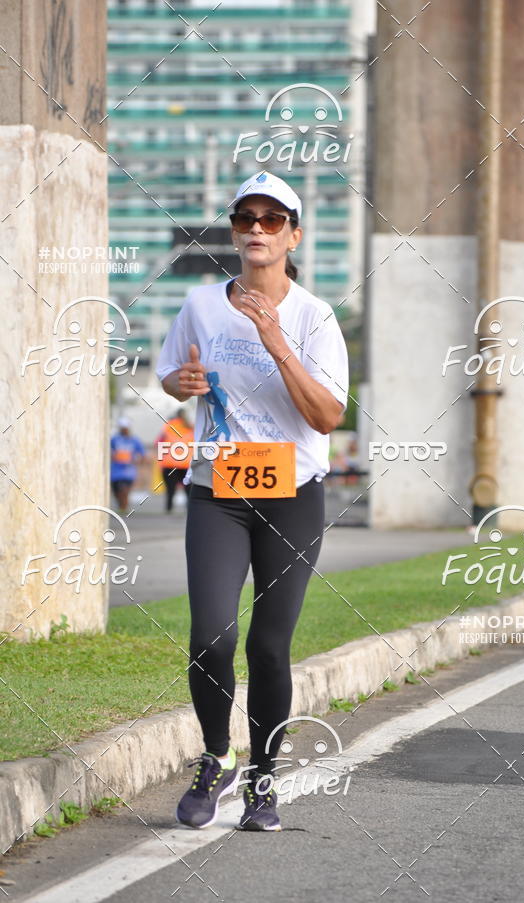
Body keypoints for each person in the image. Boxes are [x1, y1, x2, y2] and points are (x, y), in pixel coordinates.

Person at [156, 172, 349, 831]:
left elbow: (327, 415)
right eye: (247, 217)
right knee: (212, 634)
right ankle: (217, 758)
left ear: (294, 234)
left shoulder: (315, 317)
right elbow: (169, 373)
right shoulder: (201, 306)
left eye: (274, 219)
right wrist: (178, 382)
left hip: (293, 497)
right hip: (218, 492)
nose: (258, 228)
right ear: (235, 229)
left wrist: (278, 345)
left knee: (269, 646)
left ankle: (264, 781)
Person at [156, 408, 194, 512]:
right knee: (189, 490)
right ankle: (190, 510)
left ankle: (169, 509)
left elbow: (158, 442)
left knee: (170, 490)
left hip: (170, 464)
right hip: (186, 464)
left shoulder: (168, 426)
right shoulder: (191, 427)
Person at [109, 416, 145, 515]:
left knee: (124, 490)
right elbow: (109, 451)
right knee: (117, 492)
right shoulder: (114, 439)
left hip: (129, 472)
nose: (124, 430)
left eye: (126, 428)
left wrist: (138, 462)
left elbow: (142, 454)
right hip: (116, 471)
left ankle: (124, 508)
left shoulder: (135, 440)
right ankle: (121, 506)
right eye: (122, 428)